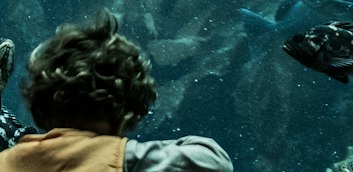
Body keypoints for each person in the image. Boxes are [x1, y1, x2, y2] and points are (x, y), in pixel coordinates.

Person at [0, 12, 232, 171]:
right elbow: (214, 159)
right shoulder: (128, 162)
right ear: (128, 112)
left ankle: (16, 135)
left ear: (37, 103)